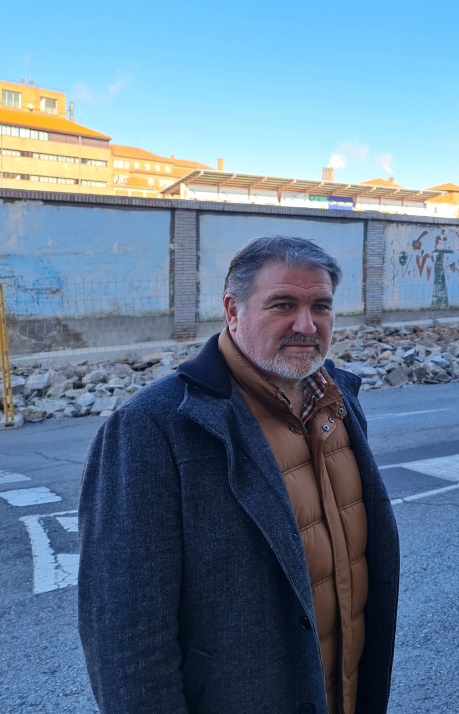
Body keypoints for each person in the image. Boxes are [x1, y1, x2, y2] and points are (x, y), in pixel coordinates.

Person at [79, 235, 399, 714]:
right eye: (283, 304)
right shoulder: (154, 427)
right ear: (233, 311)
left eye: (321, 306)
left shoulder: (338, 400)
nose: (306, 325)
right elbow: (126, 635)